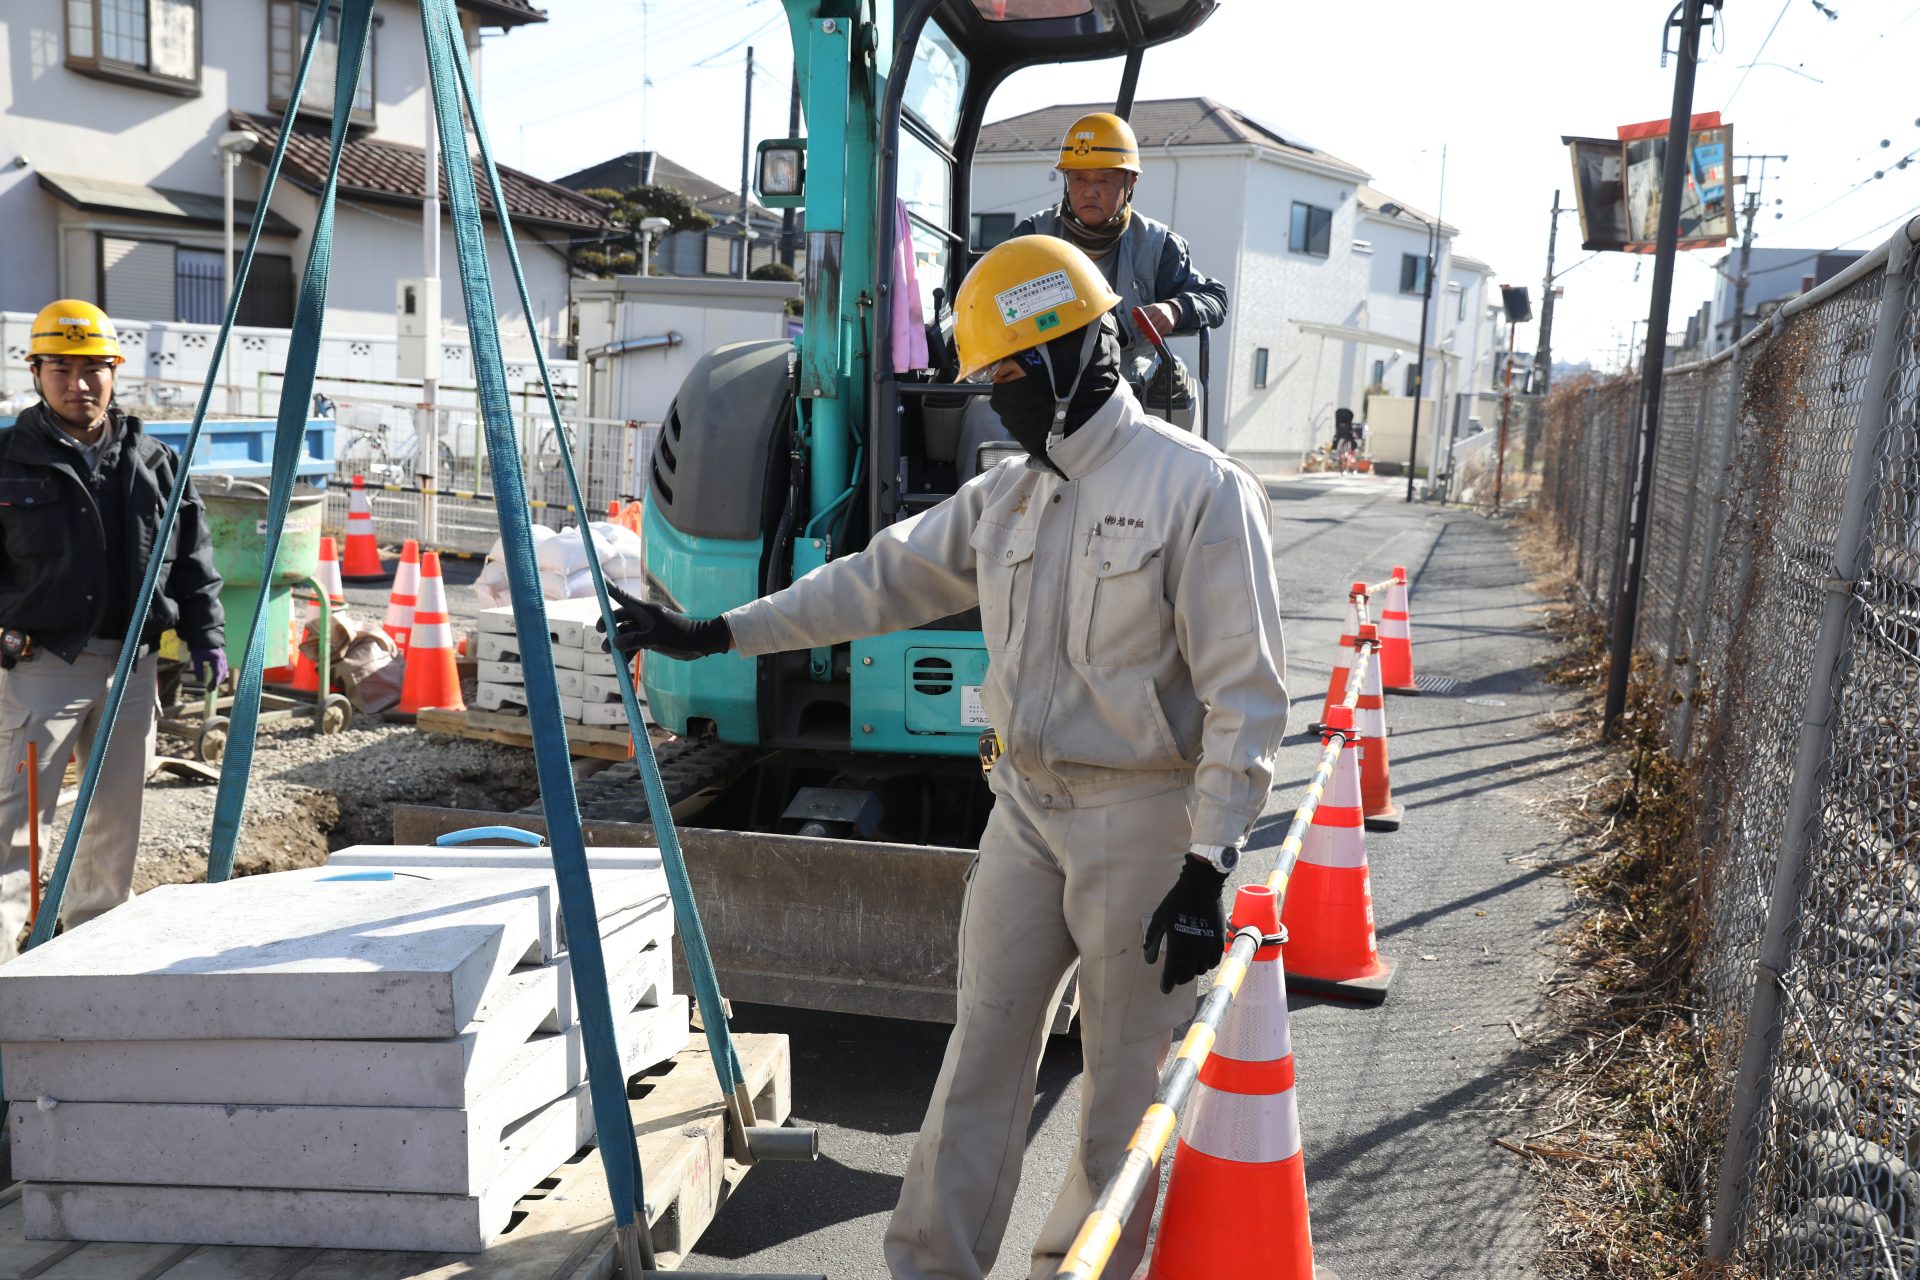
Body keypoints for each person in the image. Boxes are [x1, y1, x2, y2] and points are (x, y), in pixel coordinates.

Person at [606, 236, 1286, 1280]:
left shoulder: (1197, 492)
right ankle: (930, 1266)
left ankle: (1083, 1267)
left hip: (1143, 824)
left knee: (1120, 1089)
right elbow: (873, 581)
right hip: (1025, 811)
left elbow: (1245, 693)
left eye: (1007, 378)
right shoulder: (1008, 495)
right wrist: (719, 631)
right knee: (979, 1055)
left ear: (1071, 354)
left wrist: (1209, 861)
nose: (994, 401)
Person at [0, 300, 225, 958]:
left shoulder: (153, 460)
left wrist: (208, 633)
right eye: (62, 369)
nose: (80, 383)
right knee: (18, 821)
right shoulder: (8, 459)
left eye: (93, 368)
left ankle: (91, 948)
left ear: (114, 371)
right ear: (36, 372)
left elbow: (193, 559)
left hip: (132, 667)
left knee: (116, 816)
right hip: (42, 667)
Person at [1012, 111, 1228, 427]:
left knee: (1175, 387)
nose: (1090, 191)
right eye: (1079, 178)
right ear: (1066, 180)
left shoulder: (1159, 245)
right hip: (1042, 377)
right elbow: (991, 300)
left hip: (1129, 385)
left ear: (1131, 183)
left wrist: (1176, 308)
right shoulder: (1031, 237)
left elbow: (1214, 297)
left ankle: (1157, 476)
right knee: (982, 411)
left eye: (1105, 179)